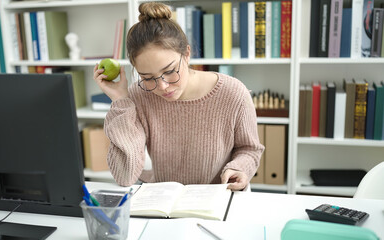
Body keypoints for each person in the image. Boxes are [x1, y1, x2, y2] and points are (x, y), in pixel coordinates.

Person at [93, 2, 264, 191]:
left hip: (216, 201)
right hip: (161, 203)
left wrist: (239, 169)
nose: (163, 86)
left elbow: (249, 149)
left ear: (187, 54)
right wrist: (120, 101)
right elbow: (125, 176)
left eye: (170, 71)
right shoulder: (139, 96)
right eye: (147, 78)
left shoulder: (233, 93)